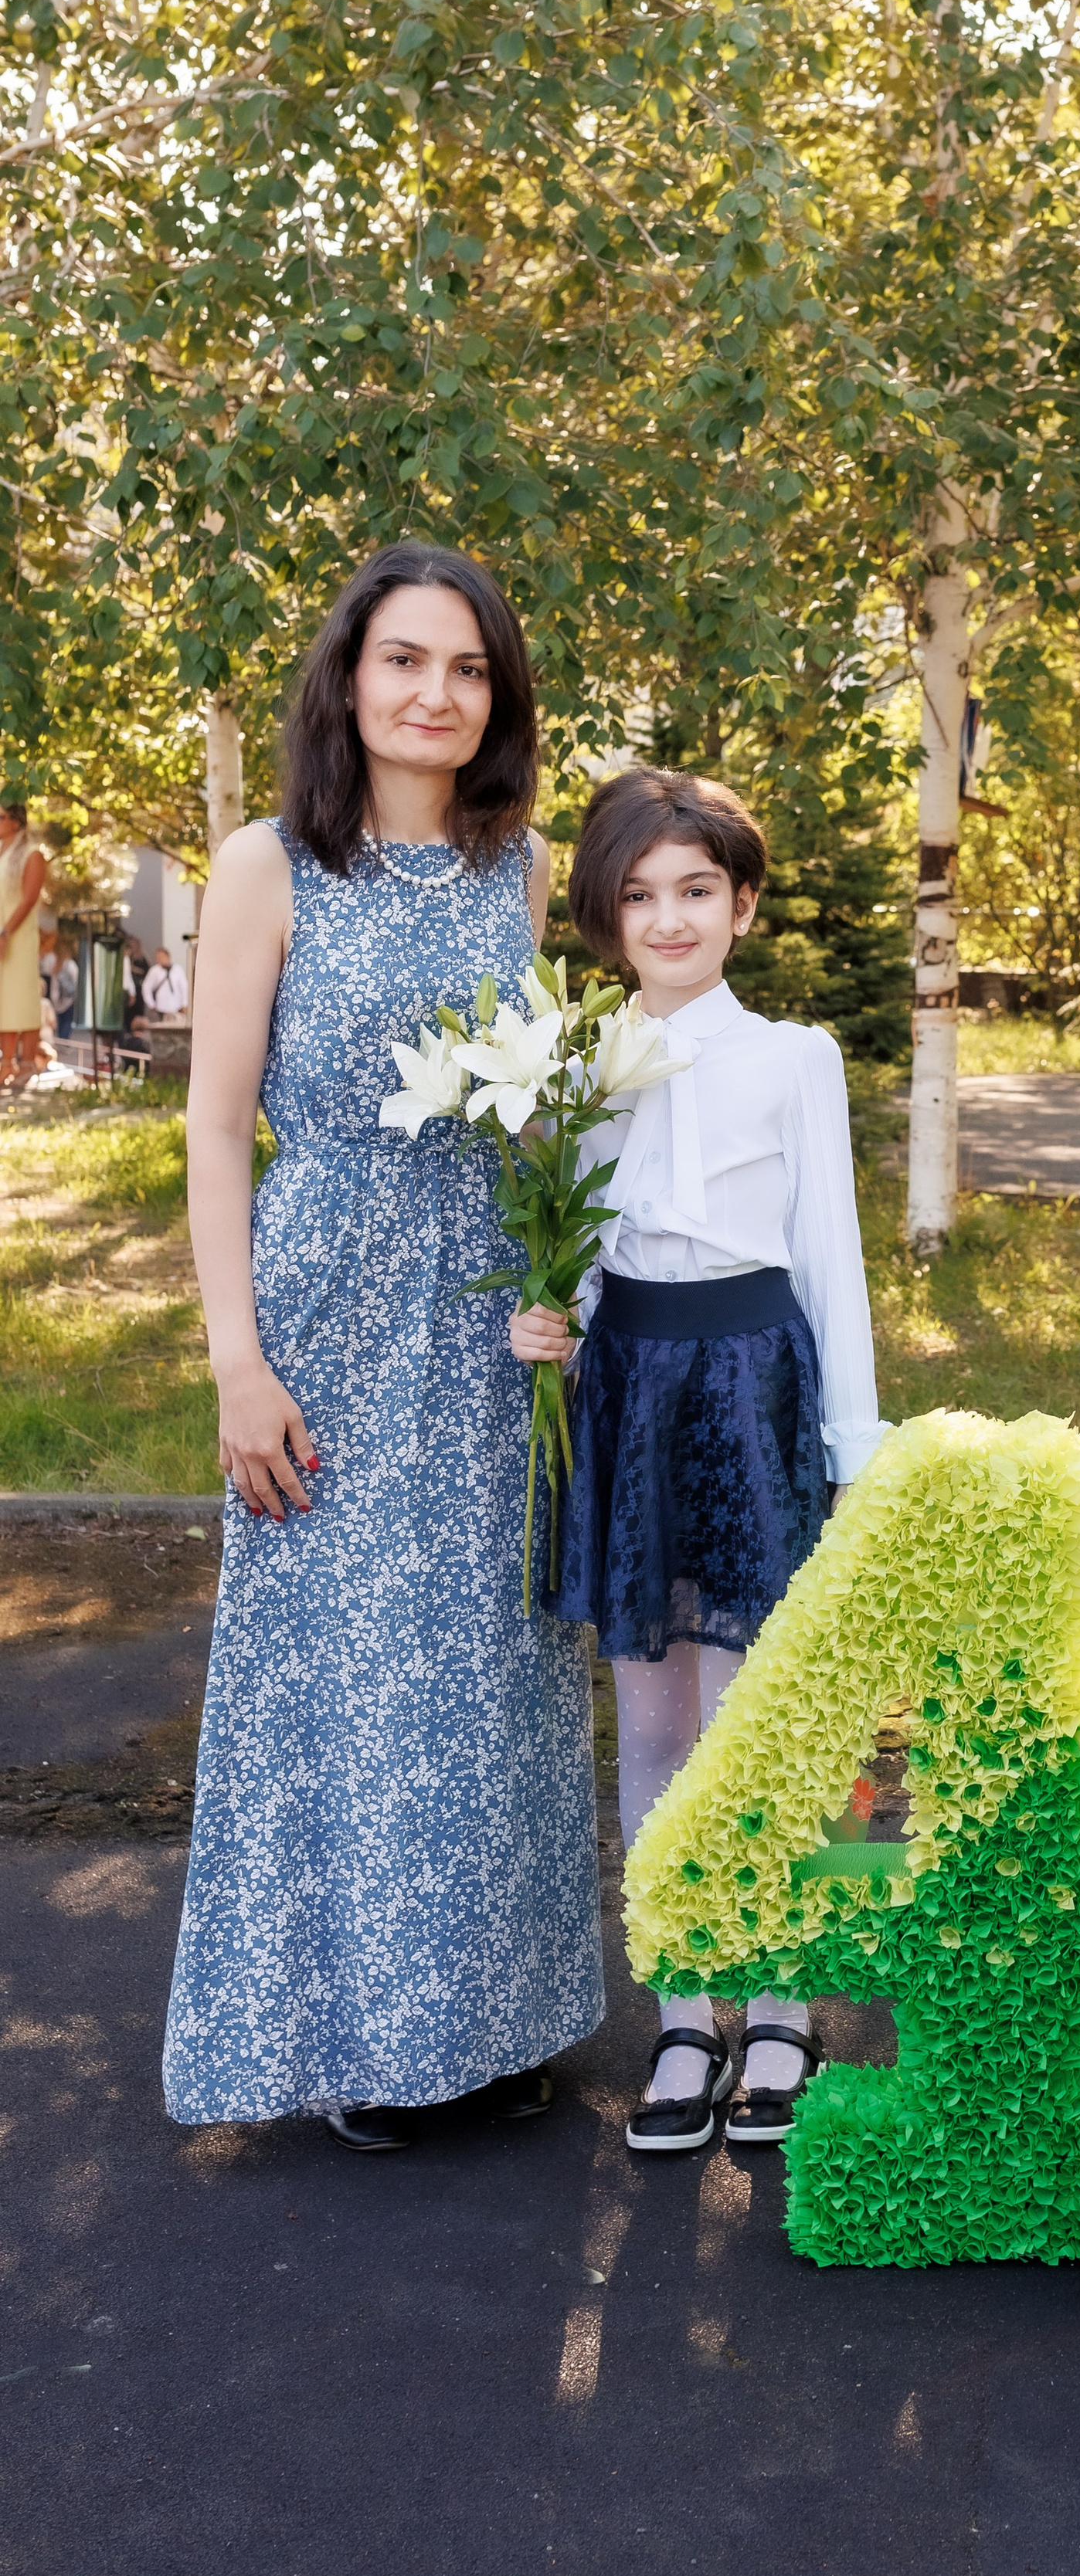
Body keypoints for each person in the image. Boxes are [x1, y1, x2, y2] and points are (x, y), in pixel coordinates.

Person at [165, 540, 603, 2151]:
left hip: (490, 1303)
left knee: (492, 1662)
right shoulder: (269, 864)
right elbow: (218, 1133)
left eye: (468, 668)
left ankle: (489, 2023)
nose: (435, 692)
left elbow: (537, 1093)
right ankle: (358, 2041)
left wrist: (562, 1280)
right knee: (340, 1672)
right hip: (328, 1299)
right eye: (405, 660)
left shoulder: (523, 866)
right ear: (349, 677)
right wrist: (237, 1360)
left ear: (497, 700)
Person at [511, 767, 884, 2157]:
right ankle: (683, 2012)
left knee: (764, 1711)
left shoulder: (794, 1059)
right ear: (608, 918)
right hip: (630, 1394)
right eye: (638, 896)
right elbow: (575, 1250)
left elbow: (834, 1263)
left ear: (740, 905)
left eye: (695, 892)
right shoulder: (572, 1063)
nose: (668, 919)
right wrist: (546, 1320)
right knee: (656, 1715)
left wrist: (857, 1449)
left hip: (753, 1386)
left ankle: (783, 2005)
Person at [0, 795, 49, 1089]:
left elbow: (29, 899)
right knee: (4, 999)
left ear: (16, 821)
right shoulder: (1, 853)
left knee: (23, 997)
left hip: (18, 936)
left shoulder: (32, 854)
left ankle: (28, 1063)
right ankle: (7, 1062)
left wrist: (5, 933)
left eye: (1, 817)